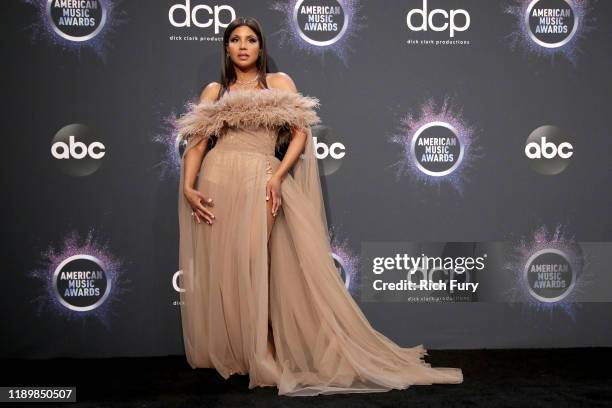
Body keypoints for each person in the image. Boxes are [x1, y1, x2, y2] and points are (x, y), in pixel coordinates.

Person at [176, 16, 463, 397]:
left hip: (258, 180)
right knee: (228, 266)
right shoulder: (214, 90)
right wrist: (187, 186)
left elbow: (300, 132)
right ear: (226, 48)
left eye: (250, 40)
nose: (243, 46)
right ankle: (243, 352)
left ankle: (265, 354)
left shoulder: (278, 84)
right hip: (216, 182)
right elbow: (197, 144)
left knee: (255, 263)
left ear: (261, 48)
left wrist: (277, 177)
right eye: (234, 40)